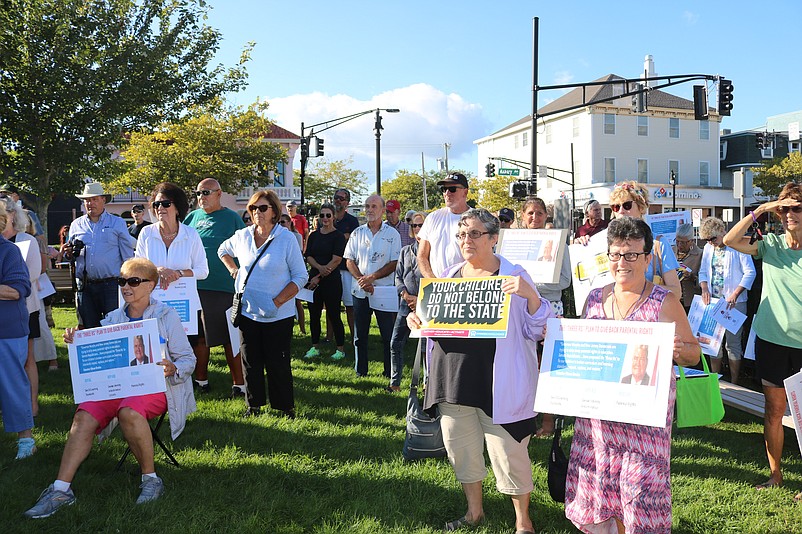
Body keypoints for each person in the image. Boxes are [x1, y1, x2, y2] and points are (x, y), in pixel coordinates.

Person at [407, 208, 551, 533]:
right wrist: (415, 320)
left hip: (499, 383)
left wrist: (529, 295)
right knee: (462, 450)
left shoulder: (515, 275)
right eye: (461, 235)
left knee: (508, 453)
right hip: (454, 380)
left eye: (474, 234)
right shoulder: (448, 275)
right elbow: (426, 320)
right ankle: (474, 512)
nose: (466, 240)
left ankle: (523, 521)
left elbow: (540, 327)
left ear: (493, 238)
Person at [24, 257, 196, 518]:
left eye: (133, 281)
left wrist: (173, 368)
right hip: (114, 389)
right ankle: (60, 489)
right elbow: (99, 355)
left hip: (154, 389)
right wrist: (76, 342)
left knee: (129, 411)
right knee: (83, 416)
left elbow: (188, 359)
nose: (126, 287)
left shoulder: (166, 315)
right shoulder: (113, 318)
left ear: (151, 285)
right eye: (122, 281)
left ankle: (151, 480)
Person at [565, 216, 700, 534]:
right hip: (599, 425)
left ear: (647, 258)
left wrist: (680, 349)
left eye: (631, 254)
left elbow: (694, 352)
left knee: (637, 495)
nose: (622, 262)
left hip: (643, 429)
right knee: (602, 491)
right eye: (615, 254)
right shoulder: (595, 298)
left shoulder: (664, 302)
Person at [723, 182, 802, 495]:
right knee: (774, 412)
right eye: (785, 209)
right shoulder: (770, 244)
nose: (790, 214)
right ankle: (775, 475)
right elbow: (730, 239)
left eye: (797, 208)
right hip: (771, 340)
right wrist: (762, 209)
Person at [218, 190, 307, 418]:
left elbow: (300, 276)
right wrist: (233, 270)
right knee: (250, 361)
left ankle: (285, 408)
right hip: (248, 312)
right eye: (253, 208)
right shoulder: (242, 236)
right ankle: (254, 405)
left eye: (263, 208)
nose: (257, 212)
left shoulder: (285, 238)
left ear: (274, 212)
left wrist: (277, 301)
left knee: (278, 363)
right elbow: (222, 250)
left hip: (278, 314)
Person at [183, 178, 247, 398]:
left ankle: (239, 384)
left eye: (206, 192)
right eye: (198, 193)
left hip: (224, 287)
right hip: (195, 286)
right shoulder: (192, 217)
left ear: (219, 193)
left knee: (230, 337)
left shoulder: (231, 218)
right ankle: (201, 381)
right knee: (199, 338)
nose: (201, 197)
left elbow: (245, 249)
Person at [518, 196, 571, 437]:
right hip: (519, 311)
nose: (535, 218)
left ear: (546, 216)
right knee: (522, 365)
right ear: (522, 216)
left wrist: (533, 288)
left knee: (546, 367)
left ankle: (548, 424)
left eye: (539, 213)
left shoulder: (559, 243)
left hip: (551, 310)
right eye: (530, 213)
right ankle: (522, 419)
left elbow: (564, 281)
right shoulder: (513, 244)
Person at [344, 194, 400, 378]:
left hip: (383, 291)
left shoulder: (392, 234)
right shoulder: (357, 233)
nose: (369, 210)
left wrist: (372, 278)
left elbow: (394, 262)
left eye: (374, 206)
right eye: (367, 206)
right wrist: (362, 279)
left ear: (383, 210)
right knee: (360, 336)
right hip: (360, 291)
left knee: (387, 335)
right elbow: (349, 260)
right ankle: (361, 371)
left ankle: (389, 372)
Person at [65, 182, 136, 328]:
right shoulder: (76, 225)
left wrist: (129, 282)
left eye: (94, 199)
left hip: (111, 285)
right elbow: (70, 254)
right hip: (85, 286)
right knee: (89, 330)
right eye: (87, 200)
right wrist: (68, 253)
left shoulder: (117, 223)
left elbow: (127, 257)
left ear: (103, 200)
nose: (90, 203)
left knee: (115, 328)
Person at [699, 216, 755, 385]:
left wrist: (736, 294)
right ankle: (715, 381)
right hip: (714, 303)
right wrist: (704, 288)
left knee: (733, 344)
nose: (710, 243)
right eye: (707, 240)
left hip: (735, 304)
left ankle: (735, 383)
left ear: (723, 232)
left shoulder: (737, 246)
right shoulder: (709, 249)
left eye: (713, 238)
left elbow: (750, 272)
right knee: (713, 344)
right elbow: (703, 271)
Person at [0, 201, 35, 461]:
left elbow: (18, 290)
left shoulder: (9, 252)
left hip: (7, 330)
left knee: (12, 384)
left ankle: (26, 440)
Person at [2, 197, 42, 417]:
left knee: (27, 359)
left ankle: (32, 405)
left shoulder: (26, 239)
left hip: (25, 308)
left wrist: (8, 284)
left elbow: (32, 274)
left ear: (12, 214)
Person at [608, 180, 682, 297]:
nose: (621, 211)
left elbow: (676, 292)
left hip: (647, 313)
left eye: (627, 205)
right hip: (614, 312)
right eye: (616, 207)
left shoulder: (658, 243)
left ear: (641, 207)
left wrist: (641, 288)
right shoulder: (607, 242)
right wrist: (582, 244)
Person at [134, 182, 208, 291]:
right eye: (156, 204)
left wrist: (178, 273)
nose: (159, 207)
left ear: (177, 208)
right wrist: (157, 270)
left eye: (165, 203)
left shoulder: (191, 234)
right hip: (153, 300)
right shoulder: (146, 233)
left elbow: (203, 271)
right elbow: (137, 268)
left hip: (183, 300)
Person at [387, 211, 426, 393]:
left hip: (426, 304)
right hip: (405, 304)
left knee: (426, 347)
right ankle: (395, 383)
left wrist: (420, 300)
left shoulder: (432, 253)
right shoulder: (405, 251)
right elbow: (398, 277)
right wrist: (404, 294)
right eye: (413, 225)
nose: (417, 229)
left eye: (420, 225)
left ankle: (428, 384)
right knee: (395, 343)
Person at [303, 203, 346, 361]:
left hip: (332, 281)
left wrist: (319, 275)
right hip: (314, 281)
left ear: (333, 217)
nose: (325, 219)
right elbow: (308, 256)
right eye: (322, 215)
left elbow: (336, 260)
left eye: (328, 215)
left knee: (334, 315)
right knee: (314, 315)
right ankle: (315, 347)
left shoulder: (338, 236)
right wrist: (318, 269)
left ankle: (340, 349)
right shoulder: (314, 235)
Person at [418, 172, 471, 279]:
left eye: (452, 189)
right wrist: (432, 282)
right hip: (438, 286)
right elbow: (422, 256)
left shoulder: (477, 219)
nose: (447, 193)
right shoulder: (433, 218)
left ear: (465, 192)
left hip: (466, 284)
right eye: (443, 189)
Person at [332, 188, 360, 338]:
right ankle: (329, 337)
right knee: (331, 306)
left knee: (350, 306)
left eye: (342, 198)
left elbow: (356, 242)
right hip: (331, 267)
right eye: (336, 197)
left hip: (347, 268)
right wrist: (343, 236)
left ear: (347, 202)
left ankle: (354, 337)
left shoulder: (352, 221)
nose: (338, 200)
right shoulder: (327, 217)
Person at [280, 213, 307, 335]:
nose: (281, 225)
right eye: (279, 222)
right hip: (282, 273)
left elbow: (298, 255)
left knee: (297, 302)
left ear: (289, 223)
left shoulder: (296, 236)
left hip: (294, 272)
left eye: (283, 222)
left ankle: (302, 328)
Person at [673, 223, 703, 313]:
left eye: (683, 242)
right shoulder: (671, 251)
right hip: (673, 300)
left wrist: (692, 277)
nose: (679, 245)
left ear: (691, 241)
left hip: (690, 302)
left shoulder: (700, 255)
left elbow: (704, 279)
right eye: (677, 241)